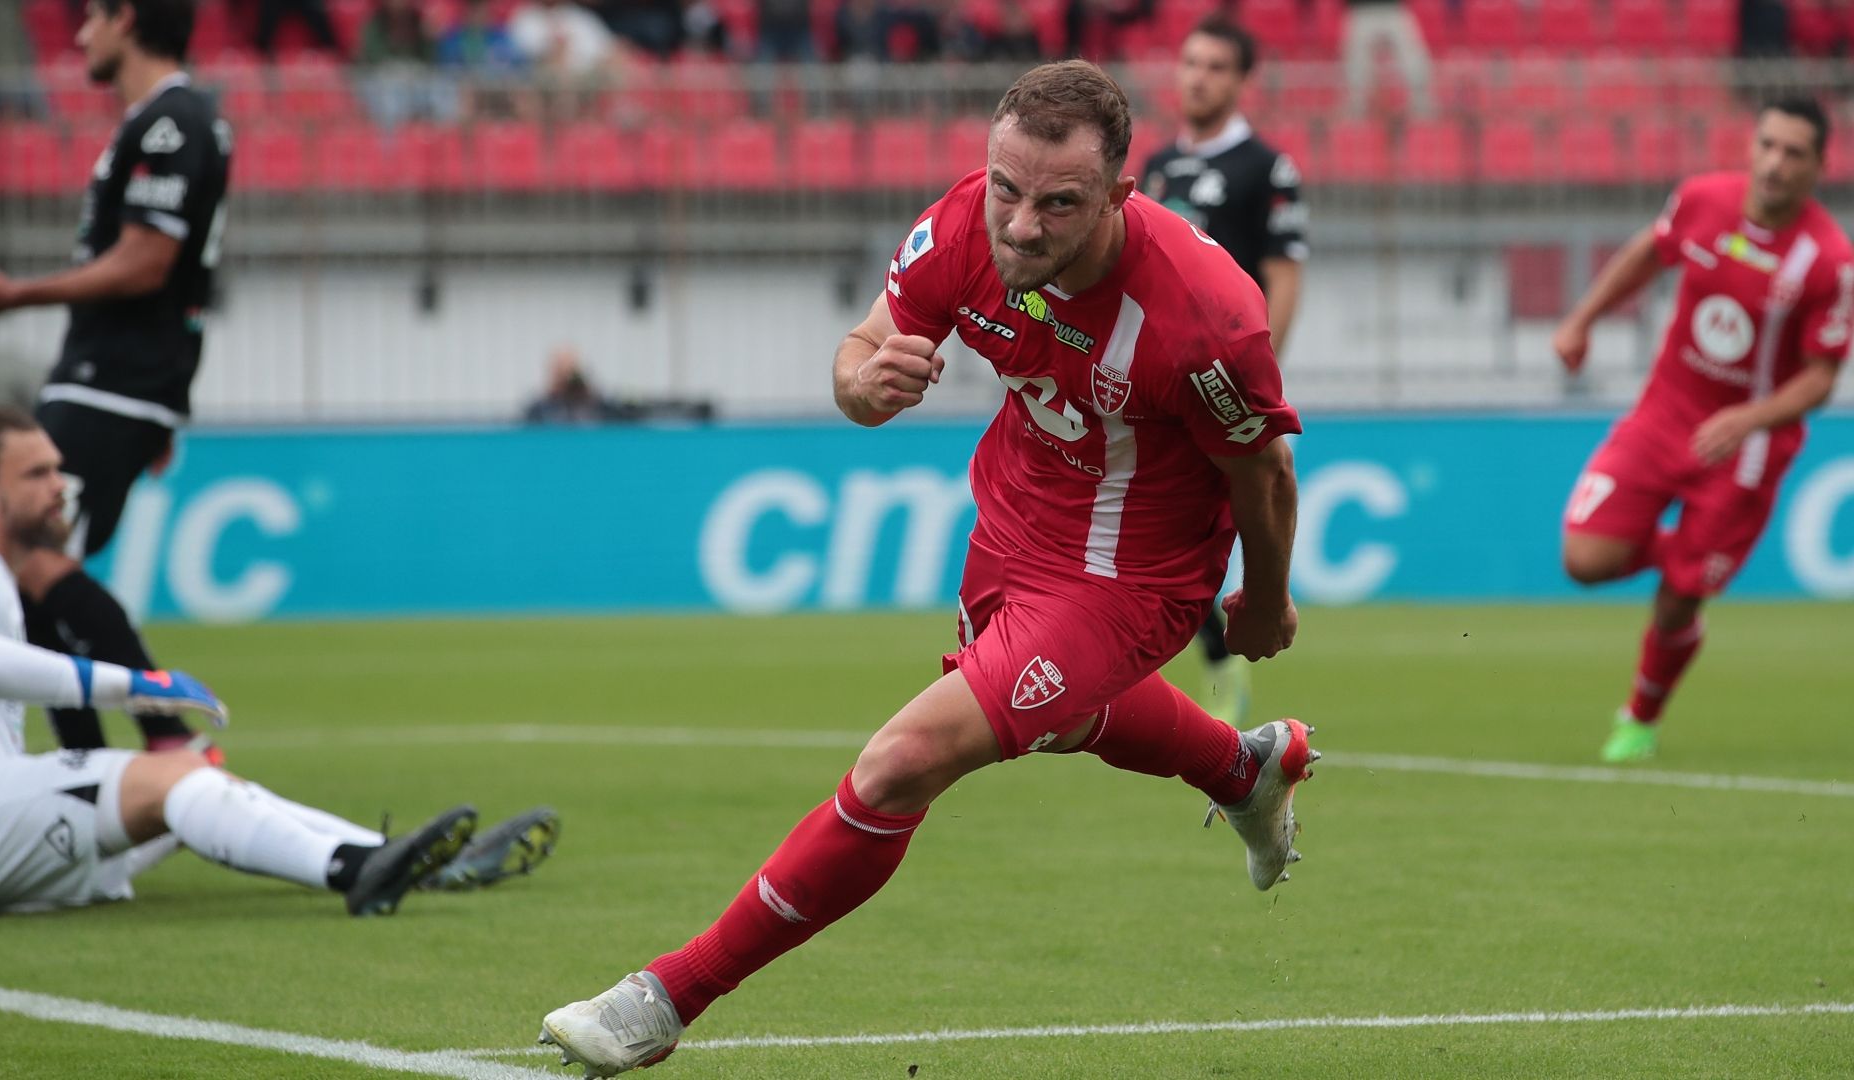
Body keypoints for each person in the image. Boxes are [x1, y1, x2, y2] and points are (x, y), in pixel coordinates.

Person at [538, 60, 1318, 1076]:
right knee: (1061, 717)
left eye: (1059, 203)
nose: (1023, 225)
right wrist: (866, 386)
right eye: (1007, 189)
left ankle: (665, 998)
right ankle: (1242, 767)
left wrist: (1264, 595)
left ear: (1121, 197)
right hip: (1014, 524)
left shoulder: (1206, 317)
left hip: (1136, 576)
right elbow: (860, 353)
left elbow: (1266, 467)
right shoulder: (964, 228)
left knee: (904, 760)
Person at [0, 408, 562, 916]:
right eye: (37, 475)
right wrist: (137, 688)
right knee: (172, 780)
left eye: (57, 471)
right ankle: (354, 871)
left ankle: (399, 857)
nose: (60, 489)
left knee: (193, 785)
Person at [0, 0, 228, 762]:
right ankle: (86, 772)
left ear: (127, 19)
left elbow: (150, 262)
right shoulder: (165, 122)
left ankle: (171, 748)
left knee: (30, 559)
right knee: (25, 575)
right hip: (120, 381)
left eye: (91, 18)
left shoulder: (171, 124)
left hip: (111, 379)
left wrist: (12, 297)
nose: (78, 36)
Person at [1553, 98, 1853, 763]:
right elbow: (1646, 254)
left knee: (1679, 604)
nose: (1775, 164)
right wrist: (1582, 319)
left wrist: (1748, 417)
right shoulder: (1702, 201)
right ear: (1752, 145)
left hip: (1746, 447)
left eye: (1793, 153)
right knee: (1585, 560)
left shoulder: (1828, 261)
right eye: (1768, 145)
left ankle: (1638, 718)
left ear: (1819, 165)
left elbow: (1821, 376)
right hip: (1664, 414)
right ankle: (1686, 557)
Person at [1140, 15, 1308, 728]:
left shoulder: (1265, 168)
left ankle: (1240, 641)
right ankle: (1215, 655)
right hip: (1151, 378)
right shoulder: (1154, 168)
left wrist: (1260, 372)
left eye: (1213, 66)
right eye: (1189, 63)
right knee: (1157, 531)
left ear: (1241, 82)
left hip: (1224, 378)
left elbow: (1284, 274)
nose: (1197, 77)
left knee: (1244, 511)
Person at [1340, 0, 1433, 117]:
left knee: (1412, 55)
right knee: (1355, 59)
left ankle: (1421, 102)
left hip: (1394, 9)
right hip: (1360, 11)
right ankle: (1357, 103)